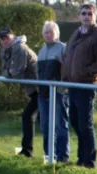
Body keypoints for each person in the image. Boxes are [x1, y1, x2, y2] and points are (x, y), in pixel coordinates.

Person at [61, 3, 97, 168]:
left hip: (87, 86)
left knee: (85, 123)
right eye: (83, 13)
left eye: (89, 14)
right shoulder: (76, 33)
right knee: (75, 121)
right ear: (79, 16)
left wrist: (86, 72)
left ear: (95, 16)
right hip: (73, 85)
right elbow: (68, 56)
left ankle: (89, 161)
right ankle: (81, 157)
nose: (86, 16)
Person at [0, 27, 38, 158]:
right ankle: (27, 151)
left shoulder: (20, 48)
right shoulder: (6, 50)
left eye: (7, 38)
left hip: (41, 88)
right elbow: (5, 71)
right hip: (33, 89)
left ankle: (28, 151)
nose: (5, 41)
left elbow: (17, 72)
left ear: (14, 38)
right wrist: (9, 73)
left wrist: (9, 73)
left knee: (29, 116)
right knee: (29, 117)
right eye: (2, 39)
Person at [37, 21, 70, 163]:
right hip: (43, 93)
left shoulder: (63, 48)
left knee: (60, 125)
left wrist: (62, 88)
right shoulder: (42, 50)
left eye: (50, 32)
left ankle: (62, 156)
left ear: (56, 33)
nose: (47, 34)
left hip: (58, 93)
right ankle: (49, 155)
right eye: (45, 32)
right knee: (45, 125)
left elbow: (68, 70)